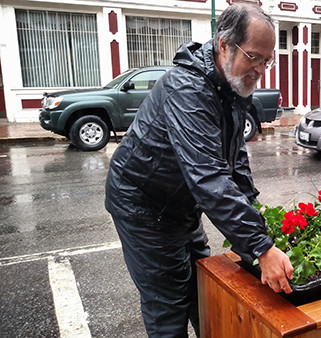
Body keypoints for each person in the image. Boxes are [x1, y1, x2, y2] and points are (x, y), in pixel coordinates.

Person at [104, 4, 293, 337]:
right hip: (143, 207)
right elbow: (208, 177)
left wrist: (254, 217)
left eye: (267, 60)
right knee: (168, 302)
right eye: (254, 57)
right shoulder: (187, 89)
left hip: (181, 204)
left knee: (201, 289)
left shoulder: (234, 83)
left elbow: (234, 159)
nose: (261, 69)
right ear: (223, 45)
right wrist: (261, 247)